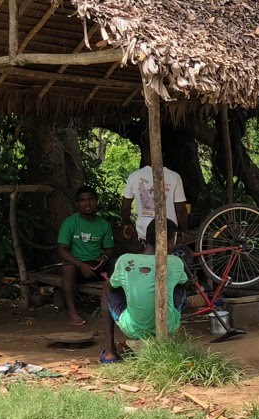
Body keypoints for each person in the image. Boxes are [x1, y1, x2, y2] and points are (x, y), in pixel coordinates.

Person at [100, 220, 190, 363]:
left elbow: (109, 288)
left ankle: (110, 353)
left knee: (106, 292)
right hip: (167, 326)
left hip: (134, 328)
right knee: (179, 287)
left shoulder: (125, 260)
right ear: (168, 241)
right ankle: (163, 339)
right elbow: (185, 285)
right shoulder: (175, 262)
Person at [56, 186, 115, 326]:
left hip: (96, 264)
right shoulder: (69, 223)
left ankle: (117, 309)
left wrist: (104, 258)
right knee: (67, 269)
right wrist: (81, 265)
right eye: (82, 200)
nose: (87, 204)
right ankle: (72, 313)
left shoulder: (104, 225)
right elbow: (62, 250)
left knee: (119, 264)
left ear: (96, 201)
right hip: (77, 264)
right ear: (77, 204)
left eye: (90, 199)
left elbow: (109, 250)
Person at [121, 151, 189, 244]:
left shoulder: (134, 177)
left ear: (145, 155)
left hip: (144, 233)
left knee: (147, 255)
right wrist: (185, 231)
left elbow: (125, 207)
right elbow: (180, 209)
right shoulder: (173, 176)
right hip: (169, 234)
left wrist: (127, 223)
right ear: (163, 154)